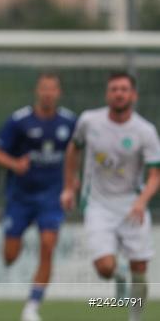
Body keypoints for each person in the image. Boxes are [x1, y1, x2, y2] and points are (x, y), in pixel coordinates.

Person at [61, 71, 160, 321]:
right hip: (98, 204)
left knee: (141, 269)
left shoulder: (145, 131)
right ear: (107, 94)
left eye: (124, 89)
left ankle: (134, 318)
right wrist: (69, 187)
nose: (119, 93)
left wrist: (141, 202)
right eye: (114, 89)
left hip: (131, 205)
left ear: (133, 95)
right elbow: (73, 149)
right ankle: (119, 274)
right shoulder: (89, 121)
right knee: (105, 268)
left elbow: (155, 175)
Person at [0, 72, 77, 321]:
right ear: (37, 92)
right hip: (20, 198)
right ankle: (15, 237)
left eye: (52, 89)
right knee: (10, 257)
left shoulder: (70, 122)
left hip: (52, 197)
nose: (48, 93)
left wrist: (73, 181)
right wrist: (15, 164)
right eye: (44, 89)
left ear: (58, 93)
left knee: (48, 246)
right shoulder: (19, 121)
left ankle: (32, 307)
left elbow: (79, 153)